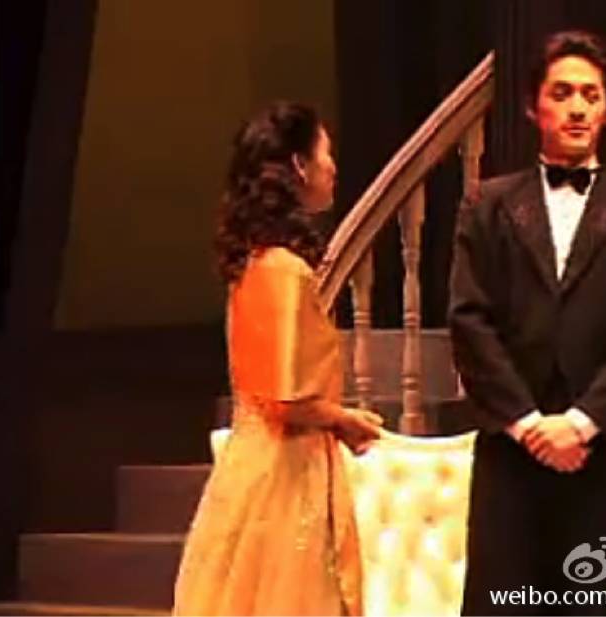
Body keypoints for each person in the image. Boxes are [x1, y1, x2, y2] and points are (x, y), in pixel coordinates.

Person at [449, 31, 606, 615]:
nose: (577, 107)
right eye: (562, 93)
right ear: (534, 107)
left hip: (601, 458)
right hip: (511, 456)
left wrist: (579, 425)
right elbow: (470, 322)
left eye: (590, 95)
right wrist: (530, 427)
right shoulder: (487, 205)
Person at [173, 101, 382, 616]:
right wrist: (343, 419)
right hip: (284, 473)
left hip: (258, 463)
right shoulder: (285, 270)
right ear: (298, 166)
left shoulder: (256, 264)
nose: (333, 167)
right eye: (325, 153)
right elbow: (286, 396)